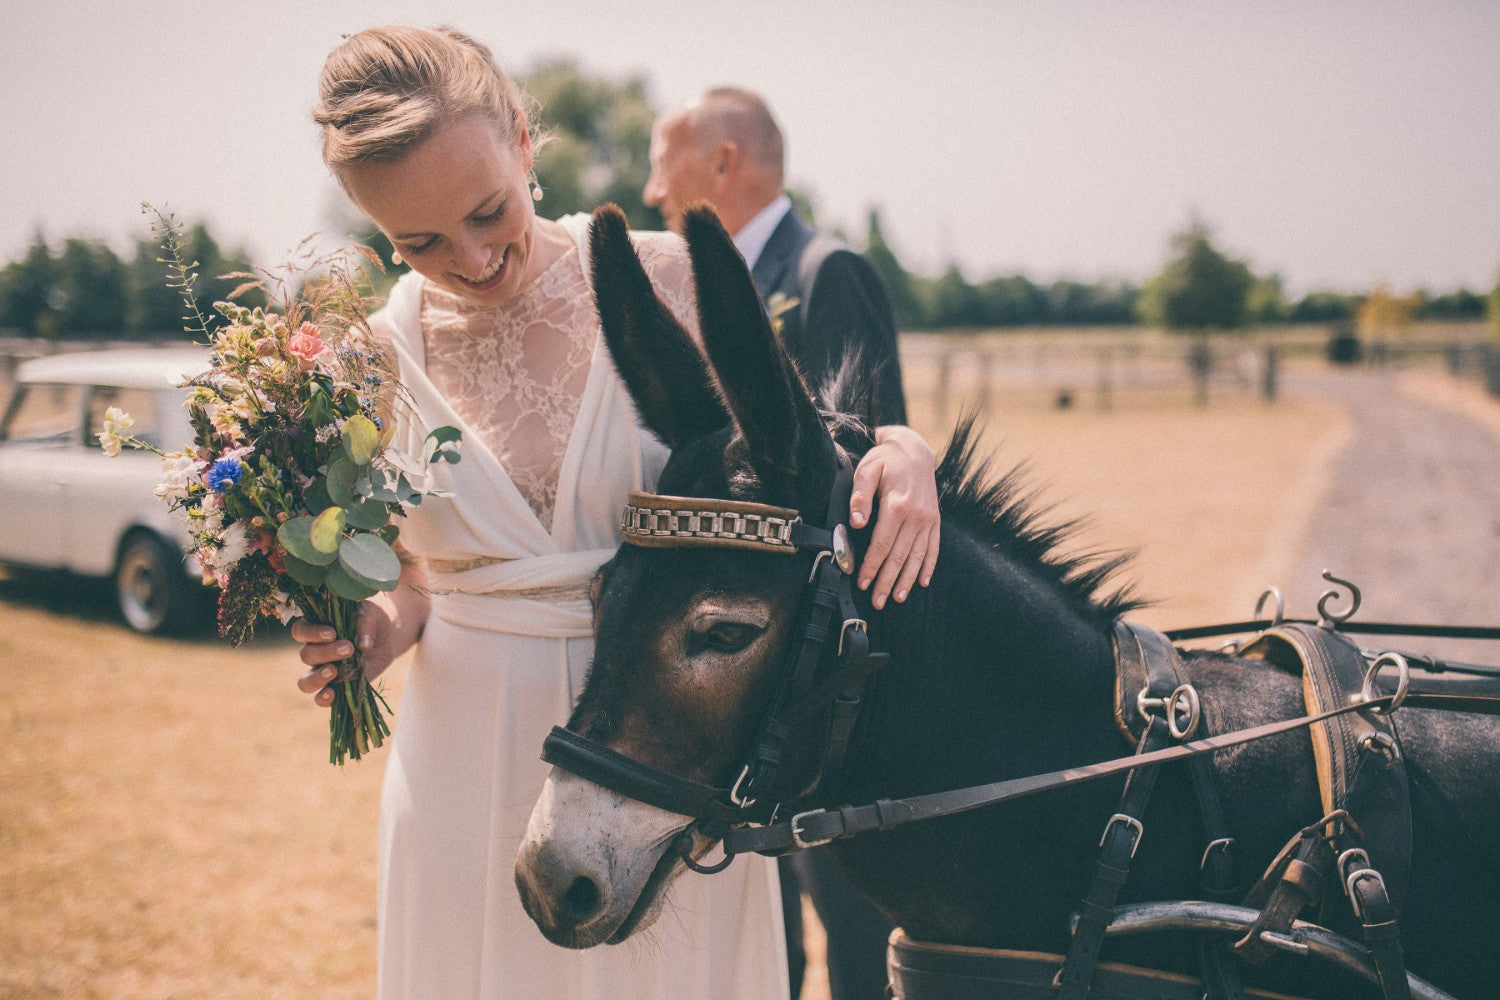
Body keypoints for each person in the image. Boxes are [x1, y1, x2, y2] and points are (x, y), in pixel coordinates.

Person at [292, 26, 940, 1000]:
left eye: (487, 212)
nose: (470, 260)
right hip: (462, 764)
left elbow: (806, 462)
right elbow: (416, 578)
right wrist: (376, 630)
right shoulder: (375, 356)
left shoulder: (670, 281)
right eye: (418, 242)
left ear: (522, 140)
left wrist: (906, 450)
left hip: (669, 753)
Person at [644, 88, 903, 1000]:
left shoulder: (827, 274)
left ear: (722, 161)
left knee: (852, 913)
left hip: (823, 659)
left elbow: (869, 458)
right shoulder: (690, 289)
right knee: (763, 911)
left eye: (660, 161)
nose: (648, 189)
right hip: (740, 657)